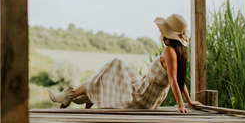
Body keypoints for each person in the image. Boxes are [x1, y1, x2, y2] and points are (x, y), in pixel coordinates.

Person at [48, 14, 201, 113]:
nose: (160, 33)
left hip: (142, 97)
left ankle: (71, 95)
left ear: (168, 35)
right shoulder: (177, 52)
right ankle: (81, 95)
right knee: (117, 65)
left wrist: (181, 105)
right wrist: (188, 101)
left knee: (113, 66)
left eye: (162, 30)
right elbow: (179, 80)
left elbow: (175, 81)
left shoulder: (169, 52)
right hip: (146, 91)